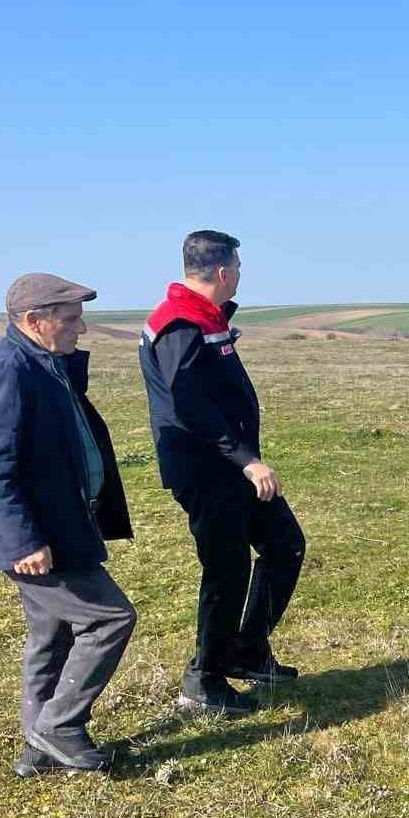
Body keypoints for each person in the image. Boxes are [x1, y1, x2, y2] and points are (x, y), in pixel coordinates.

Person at [0, 274, 137, 776]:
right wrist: (23, 540)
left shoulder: (47, 364)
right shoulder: (5, 371)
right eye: (71, 318)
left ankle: (39, 753)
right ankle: (59, 727)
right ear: (34, 321)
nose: (81, 327)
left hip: (63, 527)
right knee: (110, 618)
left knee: (53, 634)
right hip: (38, 538)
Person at [139, 229, 305, 715]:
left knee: (284, 544)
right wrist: (246, 459)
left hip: (232, 467)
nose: (239, 278)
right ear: (224, 271)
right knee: (226, 569)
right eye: (238, 269)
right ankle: (203, 680)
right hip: (209, 470)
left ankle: (247, 650)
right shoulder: (179, 322)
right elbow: (188, 404)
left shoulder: (203, 317)